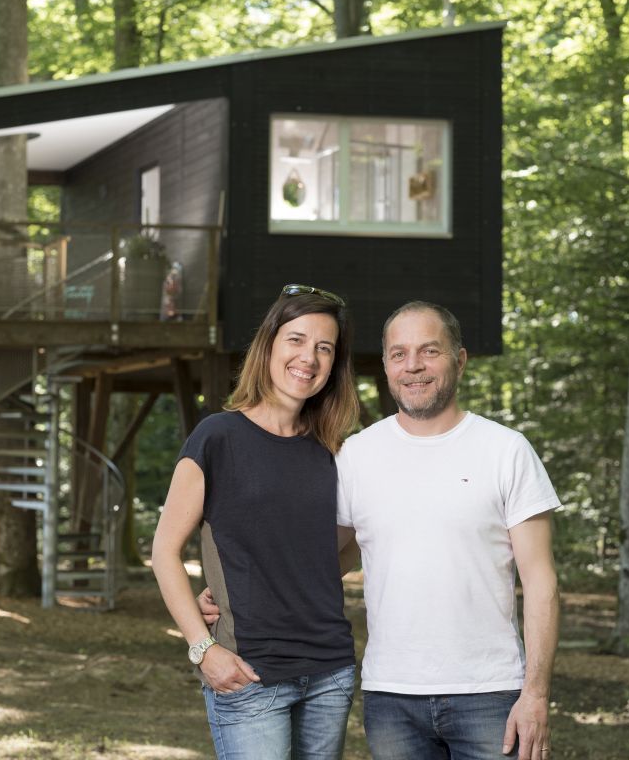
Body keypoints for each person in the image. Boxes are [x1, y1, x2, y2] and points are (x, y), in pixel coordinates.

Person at [199, 300, 560, 760]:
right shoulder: (356, 455)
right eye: (399, 354)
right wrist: (231, 595)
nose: (413, 366)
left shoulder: (507, 451)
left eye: (429, 351)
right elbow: (321, 560)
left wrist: (536, 695)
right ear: (387, 363)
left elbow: (542, 582)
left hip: (490, 693)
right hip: (390, 697)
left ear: (460, 360)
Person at [152, 284, 361, 760]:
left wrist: (266, 580)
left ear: (333, 366)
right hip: (249, 672)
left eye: (324, 348)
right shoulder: (217, 437)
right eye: (297, 339)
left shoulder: (335, 452)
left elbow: (342, 551)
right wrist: (202, 648)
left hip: (329, 670)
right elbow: (164, 551)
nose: (308, 357)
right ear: (269, 344)